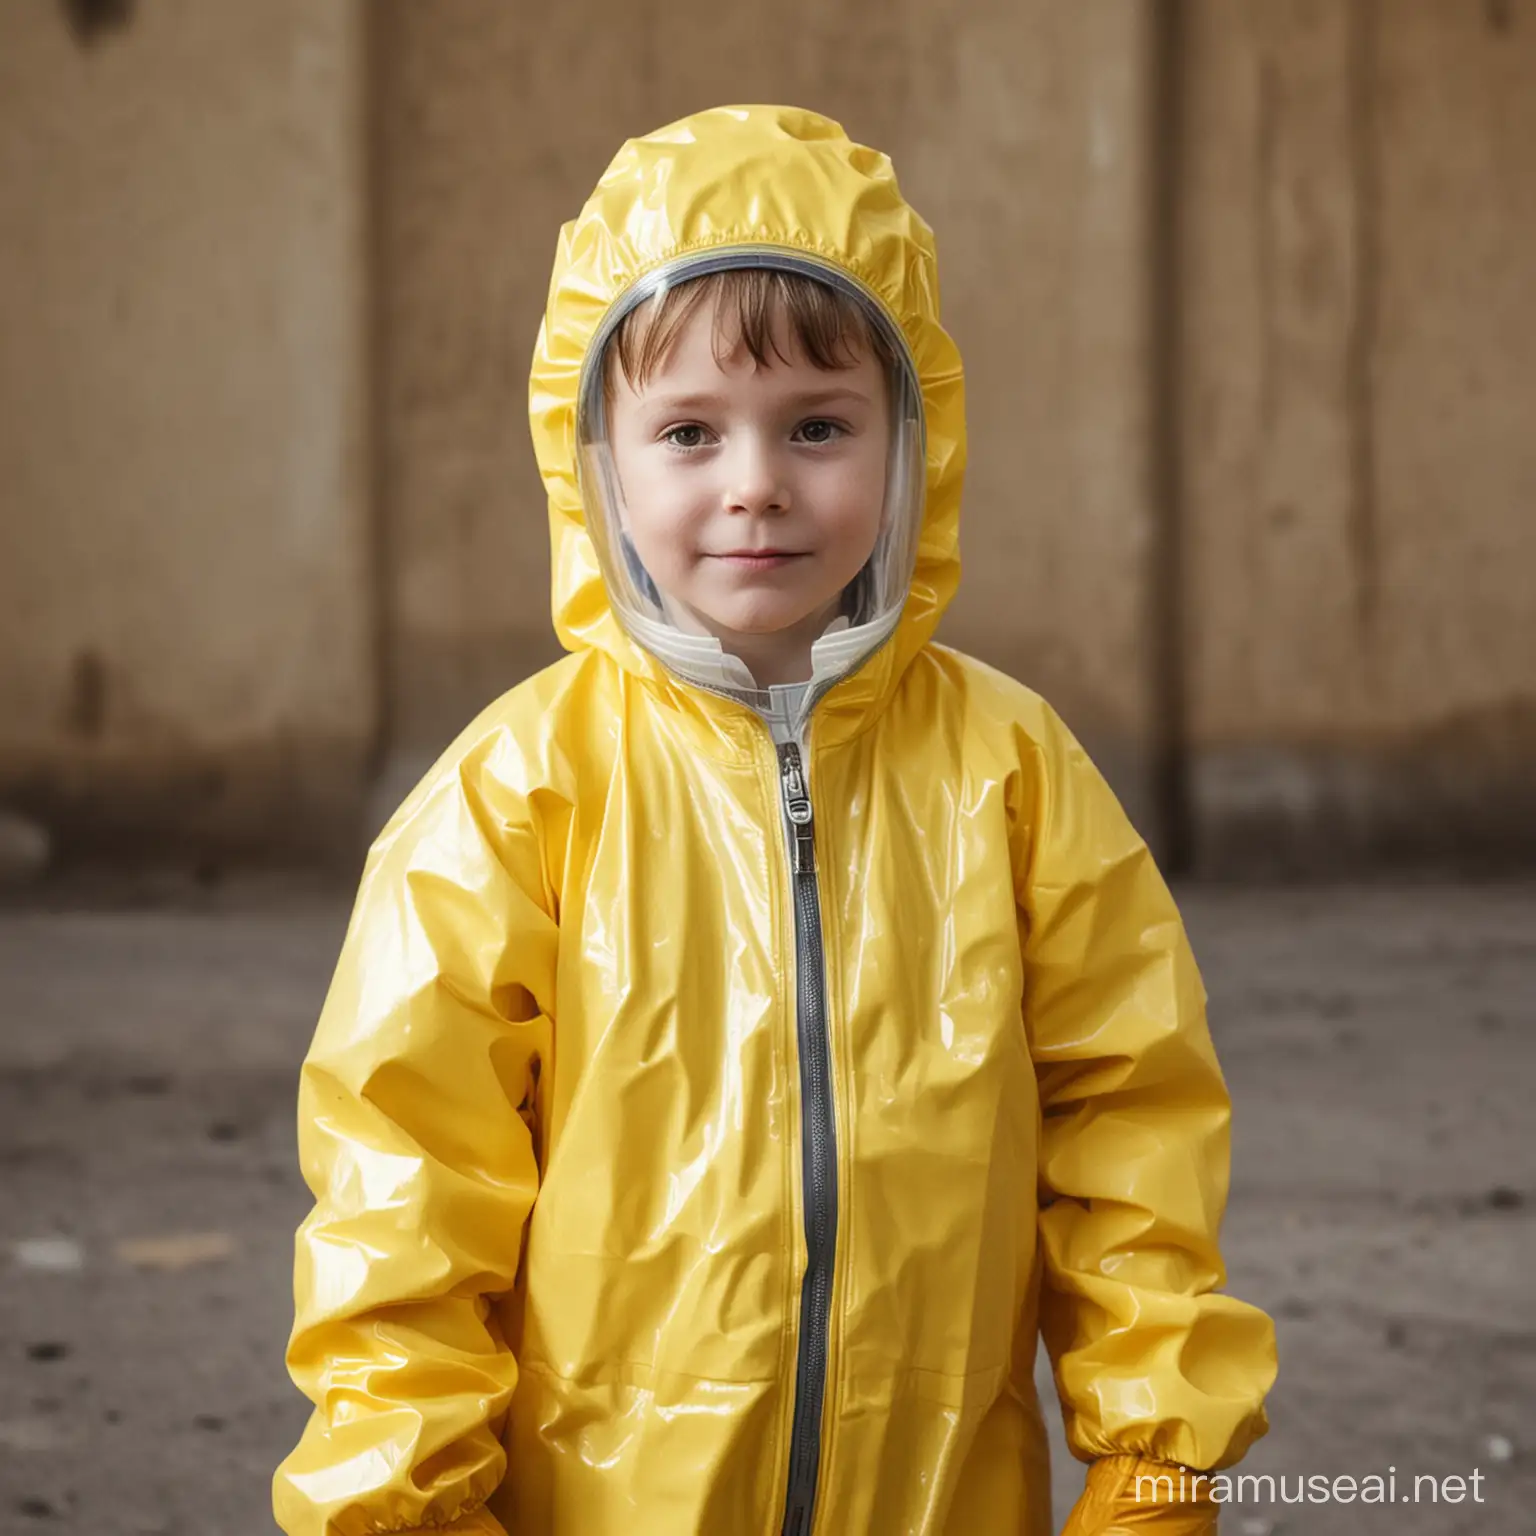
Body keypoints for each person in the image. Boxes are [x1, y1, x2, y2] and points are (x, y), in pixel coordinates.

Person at [274, 104, 1277, 1536]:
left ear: (912, 438)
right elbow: (403, 1188)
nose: (755, 484)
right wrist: (406, 1499)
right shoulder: (515, 797)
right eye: (689, 430)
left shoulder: (1012, 772)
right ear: (595, 460)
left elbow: (1132, 1126)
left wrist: (1156, 1459)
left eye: (818, 425)